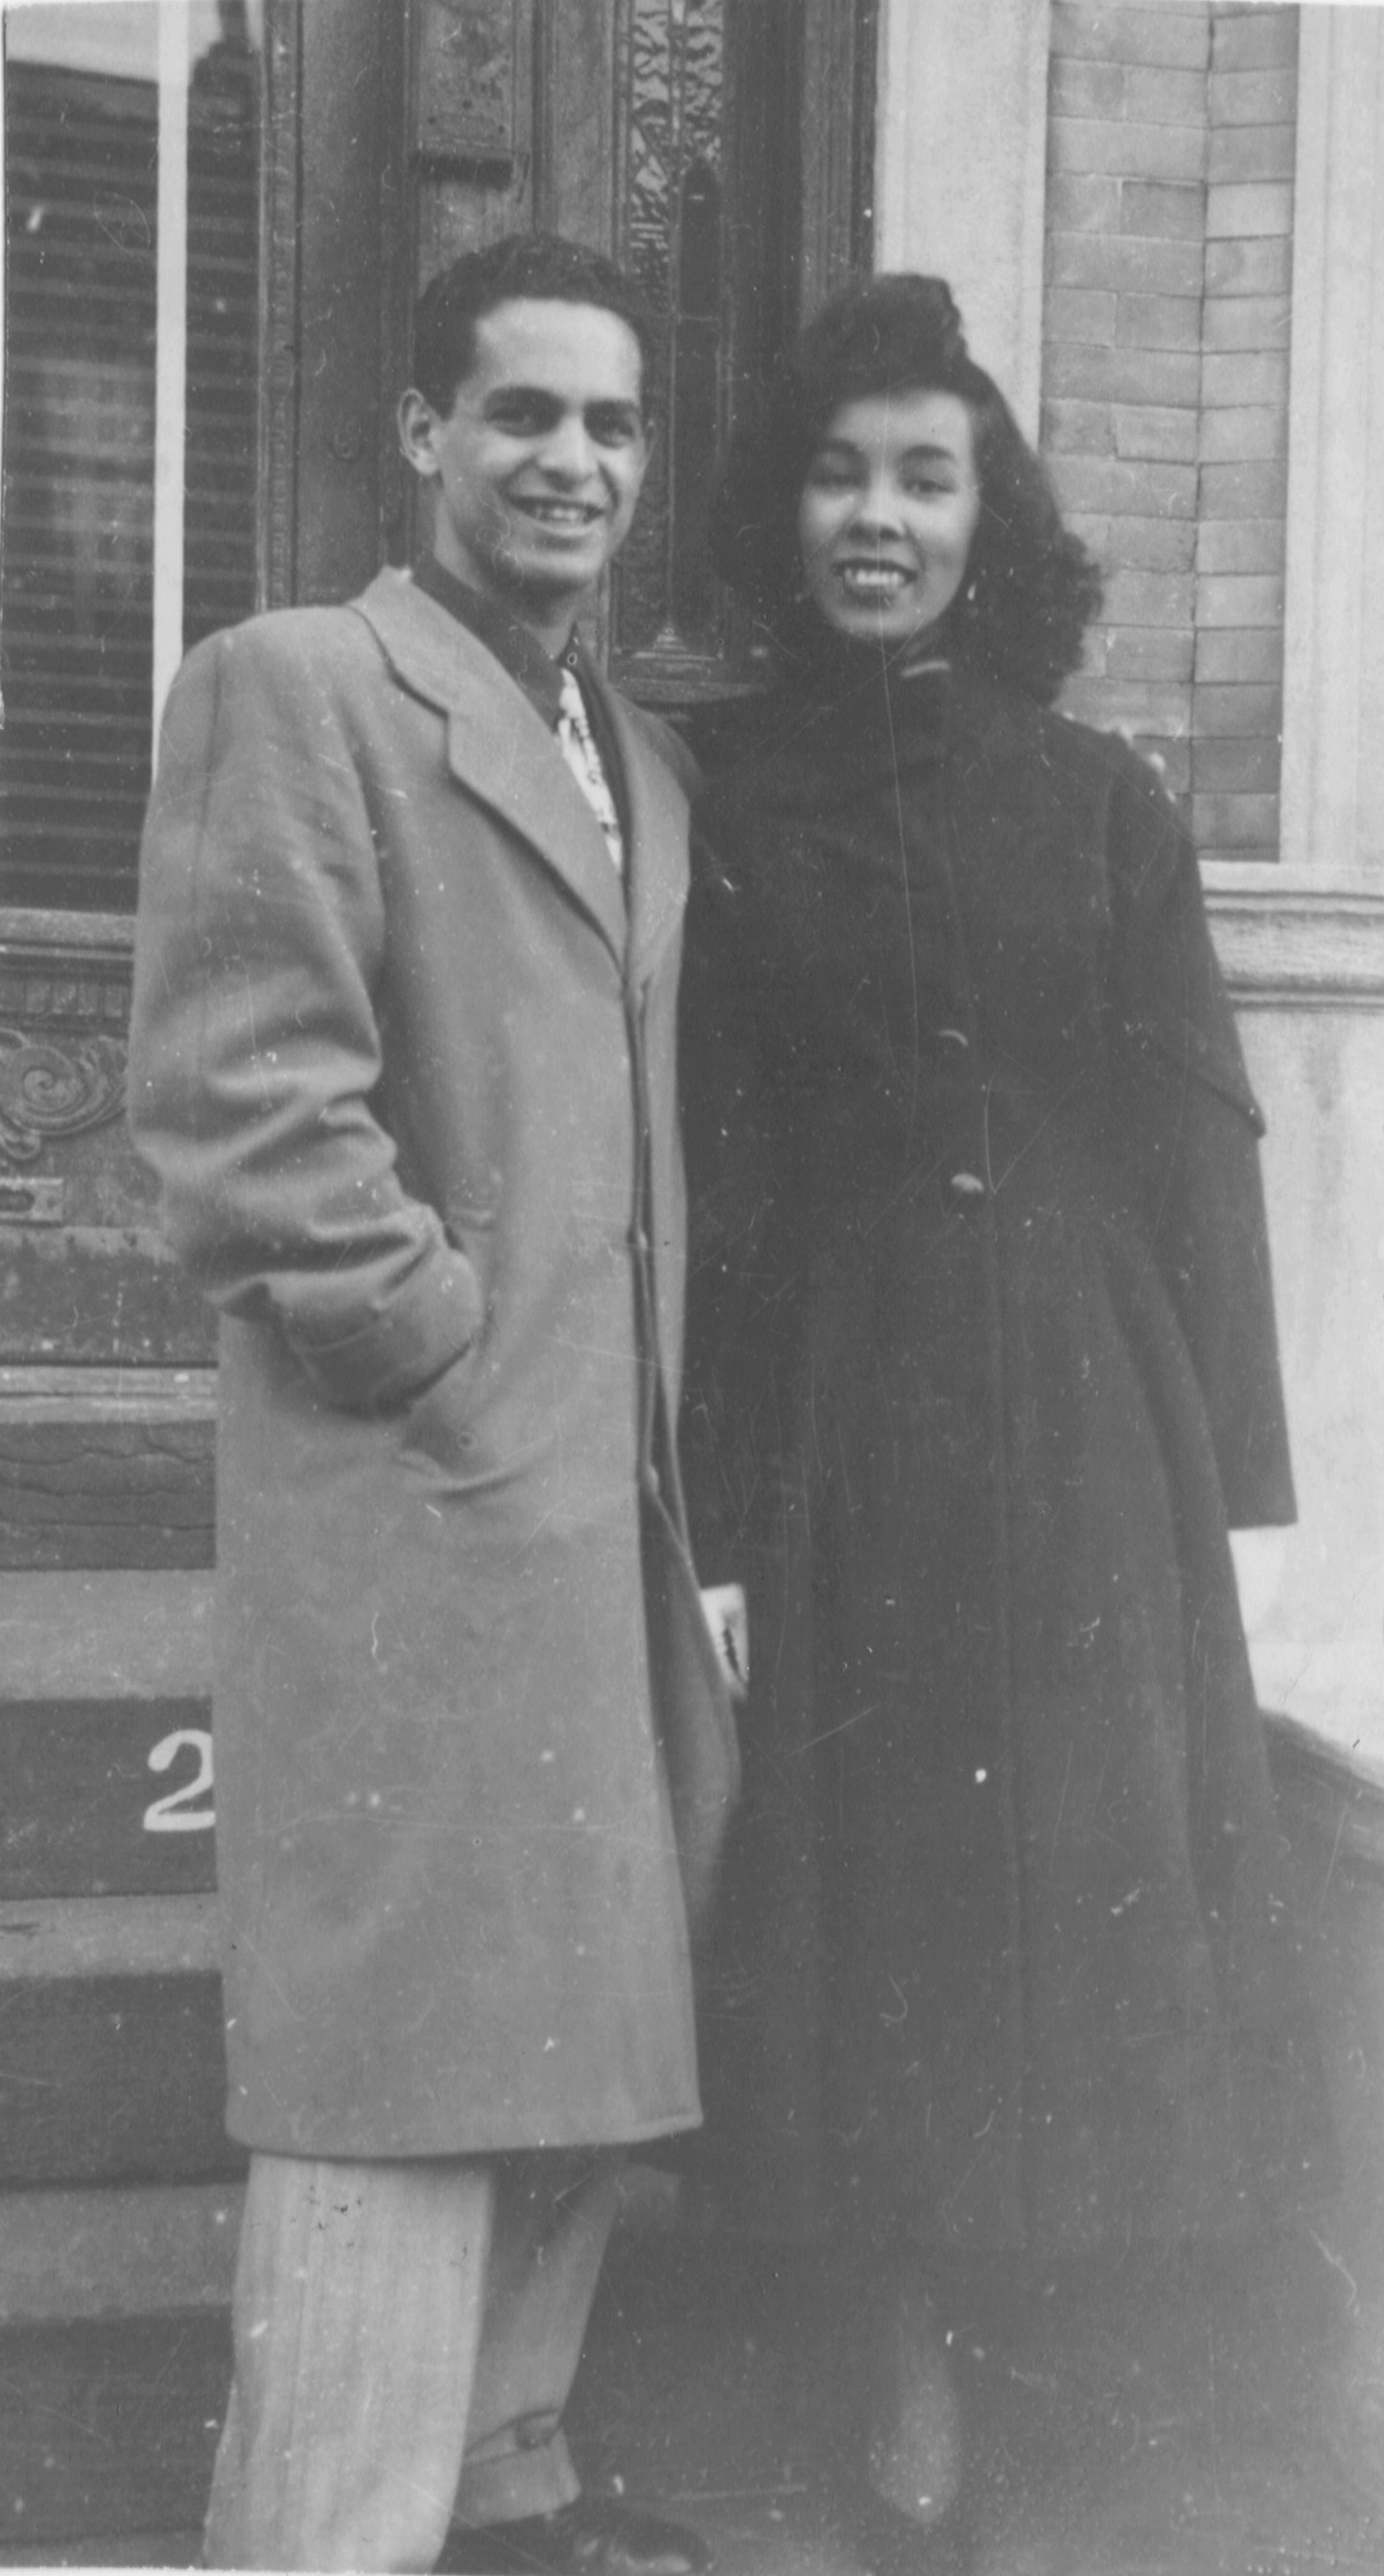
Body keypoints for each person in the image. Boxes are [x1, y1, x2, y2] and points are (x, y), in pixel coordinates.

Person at [679, 275, 1325, 2563]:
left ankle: (1058, 2323)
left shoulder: (1100, 797)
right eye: (840, 475)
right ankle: (902, 2344)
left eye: (925, 477)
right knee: (877, 1879)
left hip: (1083, 1395)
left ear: (987, 516)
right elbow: (713, 1165)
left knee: (1082, 1864)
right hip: (845, 1394)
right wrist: (720, 1507)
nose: (879, 516)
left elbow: (1196, 1135)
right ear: (791, 513)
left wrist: (1243, 1488)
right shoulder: (716, 796)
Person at [128, 232, 738, 2576]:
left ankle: (507, 2488)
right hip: (417, 1499)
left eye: (611, 422)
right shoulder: (299, 682)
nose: (571, 460)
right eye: (521, 412)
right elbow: (241, 1103)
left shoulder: (638, 761)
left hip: (598, 1512)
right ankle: (327, 2542)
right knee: (391, 2077)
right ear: (419, 432)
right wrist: (436, 1344)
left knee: (569, 2048)